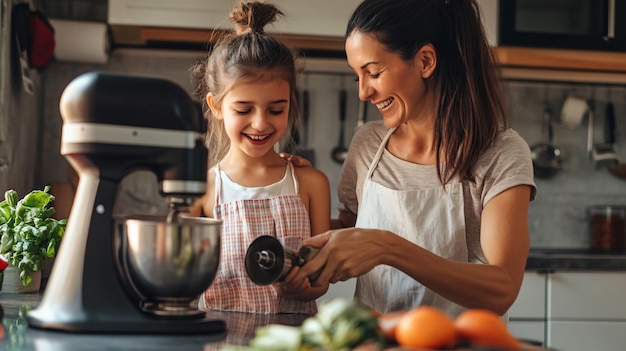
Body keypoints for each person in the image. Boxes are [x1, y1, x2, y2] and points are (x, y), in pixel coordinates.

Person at [290, 0, 537, 318]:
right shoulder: (369, 143)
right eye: (357, 77)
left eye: (374, 73)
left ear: (425, 61)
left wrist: (387, 247)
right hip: (374, 342)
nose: (364, 93)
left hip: (458, 342)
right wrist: (288, 190)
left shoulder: (499, 152)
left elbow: (502, 288)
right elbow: (353, 232)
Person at [188, 0, 330, 314]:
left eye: (276, 109)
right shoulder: (202, 188)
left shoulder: (310, 183)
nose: (261, 122)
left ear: (291, 104)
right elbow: (183, 280)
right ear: (216, 106)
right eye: (243, 109)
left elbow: (322, 279)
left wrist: (305, 285)